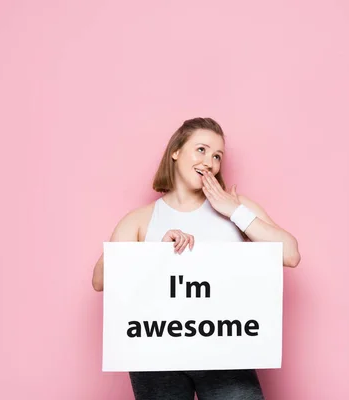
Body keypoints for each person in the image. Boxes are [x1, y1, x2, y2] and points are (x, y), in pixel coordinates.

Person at [92, 117, 300, 400]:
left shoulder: (237, 207)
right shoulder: (140, 219)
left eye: (217, 156)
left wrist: (233, 210)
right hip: (157, 355)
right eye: (201, 150)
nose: (210, 162)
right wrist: (154, 255)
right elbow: (99, 280)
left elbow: (290, 254)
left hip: (226, 349)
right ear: (175, 151)